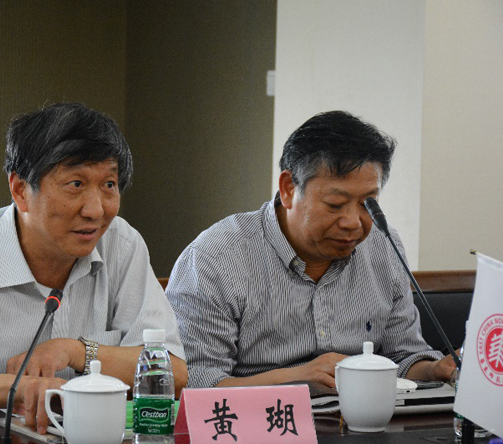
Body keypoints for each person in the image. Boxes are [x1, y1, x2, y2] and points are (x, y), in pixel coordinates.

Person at [0, 103, 187, 434]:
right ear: (20, 190)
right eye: (75, 184)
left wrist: (76, 351)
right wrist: (21, 387)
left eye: (109, 184)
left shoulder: (122, 244)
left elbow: (172, 373)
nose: (95, 210)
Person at [165, 110, 456, 390]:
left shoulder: (383, 247)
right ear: (288, 188)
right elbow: (194, 383)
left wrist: (436, 369)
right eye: (335, 204)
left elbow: (403, 359)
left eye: (368, 203)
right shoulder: (215, 259)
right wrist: (295, 379)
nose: (353, 223)